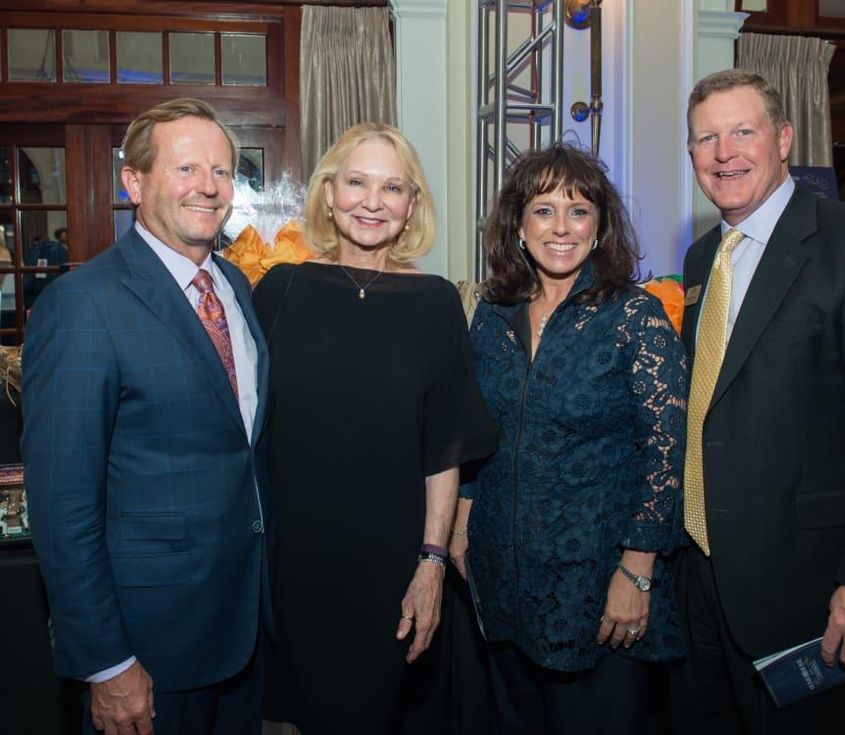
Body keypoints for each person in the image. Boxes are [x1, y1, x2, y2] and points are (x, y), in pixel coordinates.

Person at [670, 69, 845, 734]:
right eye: (706, 138)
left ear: (785, 137)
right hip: (701, 580)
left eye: (743, 131)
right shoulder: (701, 256)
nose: (724, 151)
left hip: (813, 591)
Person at [21, 98, 271, 735]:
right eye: (186, 169)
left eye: (220, 171)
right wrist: (106, 662)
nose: (208, 187)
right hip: (146, 645)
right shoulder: (82, 305)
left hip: (240, 628)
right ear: (134, 183)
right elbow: (63, 506)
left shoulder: (234, 288)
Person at [253, 122, 496, 734]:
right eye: (357, 182)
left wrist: (432, 560)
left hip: (395, 563)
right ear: (328, 194)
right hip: (298, 562)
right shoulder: (279, 291)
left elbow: (445, 448)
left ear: (411, 204)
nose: (372, 201)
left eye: (392, 188)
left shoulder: (437, 303)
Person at [451, 143, 688, 734]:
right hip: (503, 569)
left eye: (579, 211)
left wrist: (637, 572)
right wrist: (461, 523)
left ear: (600, 226)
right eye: (544, 210)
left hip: (596, 581)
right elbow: (479, 433)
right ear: (517, 225)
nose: (562, 227)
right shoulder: (493, 314)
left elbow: (668, 455)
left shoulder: (636, 317)